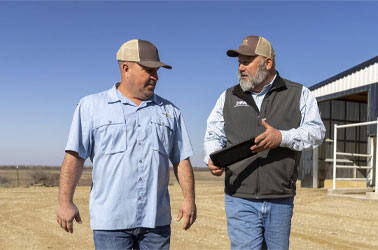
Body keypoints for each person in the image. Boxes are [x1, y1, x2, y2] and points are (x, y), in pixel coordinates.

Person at [57, 39, 196, 250]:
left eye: (157, 71)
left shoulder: (170, 112)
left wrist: (189, 199)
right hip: (111, 222)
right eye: (149, 70)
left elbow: (181, 159)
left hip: (156, 222)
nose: (155, 77)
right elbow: (74, 157)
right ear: (125, 68)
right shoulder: (91, 106)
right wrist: (65, 202)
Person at [204, 35, 325, 249]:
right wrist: (212, 156)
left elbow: (316, 132)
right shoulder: (228, 96)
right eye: (239, 62)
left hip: (280, 198)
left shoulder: (299, 94)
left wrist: (282, 137)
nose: (240, 67)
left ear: (268, 63)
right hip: (239, 197)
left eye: (247, 61)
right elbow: (214, 134)